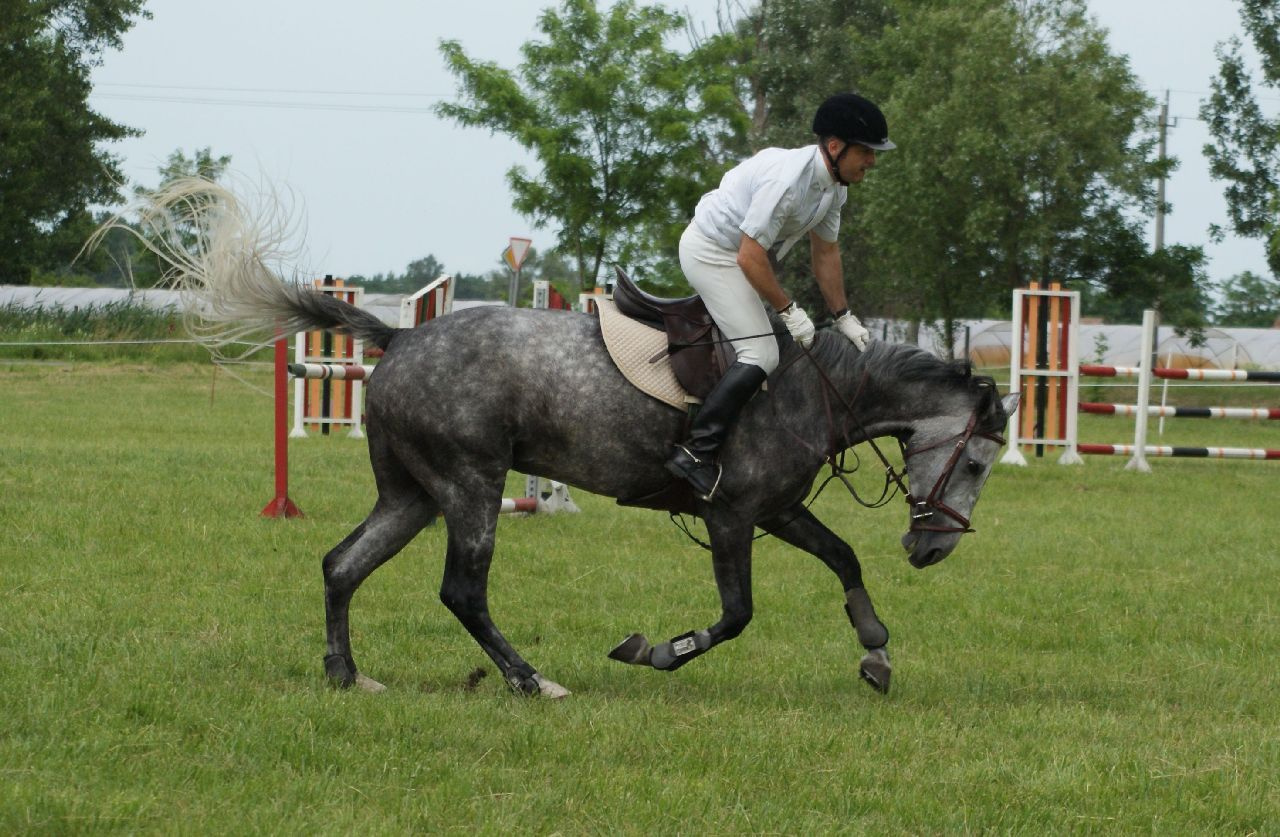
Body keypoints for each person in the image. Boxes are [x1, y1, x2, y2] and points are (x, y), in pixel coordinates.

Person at [665, 92, 894, 502]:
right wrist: (790, 311)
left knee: (770, 347)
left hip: (735, 255)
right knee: (762, 354)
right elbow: (750, 257)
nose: (872, 162)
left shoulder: (833, 189)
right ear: (836, 147)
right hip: (709, 252)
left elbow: (825, 252)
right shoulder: (789, 181)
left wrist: (843, 316)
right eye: (866, 152)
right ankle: (694, 454)